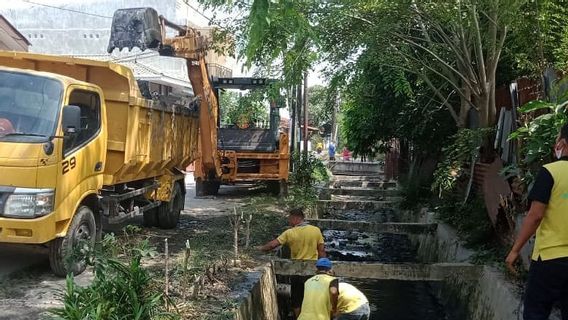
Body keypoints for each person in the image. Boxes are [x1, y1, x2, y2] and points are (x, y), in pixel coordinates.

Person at [506, 123, 568, 320]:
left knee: (536, 313)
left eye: (557, 139)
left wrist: (515, 250)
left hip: (549, 259)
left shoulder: (551, 172)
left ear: (563, 144)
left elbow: (535, 216)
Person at [259, 208, 326, 317]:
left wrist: (261, 249)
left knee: (297, 298)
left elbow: (272, 245)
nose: (289, 222)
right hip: (312, 271)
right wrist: (324, 269)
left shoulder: (289, 233)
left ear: (296, 218)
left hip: (296, 271)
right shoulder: (316, 230)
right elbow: (321, 251)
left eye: (290, 219)